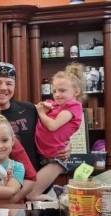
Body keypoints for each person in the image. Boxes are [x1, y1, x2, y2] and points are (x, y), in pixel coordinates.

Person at [0, 62, 70, 200]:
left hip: (36, 188)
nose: (4, 88)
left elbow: (50, 134)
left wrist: (66, 145)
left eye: (9, 83)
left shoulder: (29, 109)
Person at [27, 63, 84, 200]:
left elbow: (53, 126)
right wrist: (42, 108)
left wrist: (41, 113)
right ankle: (54, 194)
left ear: (76, 92)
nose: (57, 95)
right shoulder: (55, 105)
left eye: (62, 91)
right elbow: (36, 108)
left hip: (56, 159)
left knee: (31, 194)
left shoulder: (72, 108)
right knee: (35, 190)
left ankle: (55, 200)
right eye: (55, 91)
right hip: (43, 155)